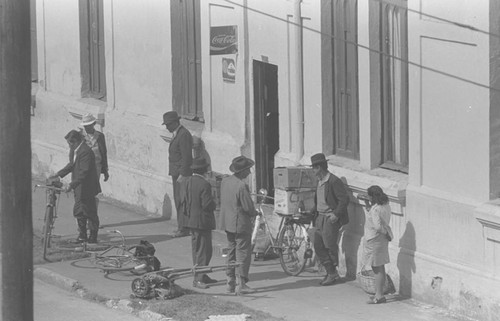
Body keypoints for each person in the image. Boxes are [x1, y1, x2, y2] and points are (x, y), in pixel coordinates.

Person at [51, 130, 101, 243]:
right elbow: (71, 165)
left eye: (70, 143)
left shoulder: (85, 152)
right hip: (79, 187)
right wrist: (58, 174)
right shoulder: (74, 151)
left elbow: (84, 172)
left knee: (90, 211)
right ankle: (82, 235)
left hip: (87, 187)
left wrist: (71, 185)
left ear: (76, 141)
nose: (69, 145)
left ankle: (93, 237)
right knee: (79, 210)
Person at [219, 156, 258, 294]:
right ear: (242, 171)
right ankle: (242, 283)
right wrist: (255, 213)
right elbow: (248, 207)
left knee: (231, 251)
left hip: (228, 221)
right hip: (240, 223)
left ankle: (230, 281)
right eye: (248, 169)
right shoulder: (241, 186)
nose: (249, 172)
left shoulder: (225, 181)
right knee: (243, 253)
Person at [310, 153, 350, 286]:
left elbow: (344, 200)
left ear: (320, 168)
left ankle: (332, 273)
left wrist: (336, 215)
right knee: (318, 245)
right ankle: (330, 271)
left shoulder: (333, 181)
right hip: (319, 217)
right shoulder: (319, 181)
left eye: (314, 168)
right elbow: (319, 200)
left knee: (329, 246)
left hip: (329, 218)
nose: (313, 171)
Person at [178, 157, 218, 289]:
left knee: (197, 250)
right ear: (204, 170)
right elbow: (207, 204)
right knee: (204, 251)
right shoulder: (204, 184)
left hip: (191, 221)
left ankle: (201, 274)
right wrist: (214, 203)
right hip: (202, 222)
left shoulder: (188, 181)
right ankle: (199, 278)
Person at [162, 111, 193, 238]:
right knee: (178, 200)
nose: (167, 127)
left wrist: (183, 174)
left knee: (182, 201)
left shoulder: (183, 135)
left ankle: (184, 228)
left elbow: (186, 157)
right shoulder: (177, 134)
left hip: (181, 174)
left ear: (175, 123)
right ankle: (181, 226)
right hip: (176, 173)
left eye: (168, 124)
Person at [363, 185, 392, 304]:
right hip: (381, 240)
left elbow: (377, 226)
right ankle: (379, 294)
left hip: (375, 239)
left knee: (376, 267)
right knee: (380, 266)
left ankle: (379, 296)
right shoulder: (386, 206)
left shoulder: (376, 209)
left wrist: (385, 233)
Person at [79, 113, 109, 183]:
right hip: (83, 167)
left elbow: (103, 153)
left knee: (93, 189)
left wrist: (105, 170)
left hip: (96, 167)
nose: (87, 128)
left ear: (94, 124)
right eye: (85, 126)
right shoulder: (80, 136)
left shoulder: (100, 136)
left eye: (89, 126)